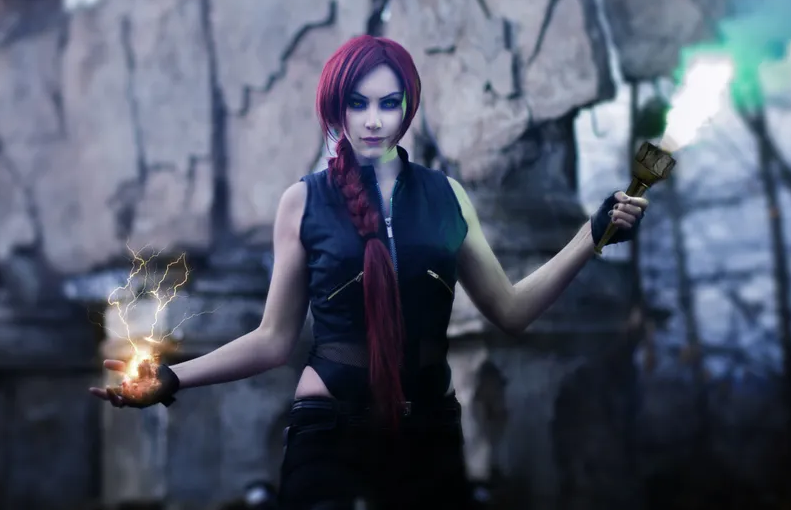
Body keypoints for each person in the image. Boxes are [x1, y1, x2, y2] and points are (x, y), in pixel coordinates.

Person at [90, 35, 648, 509]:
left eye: (389, 103)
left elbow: (511, 310)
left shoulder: (447, 197)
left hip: (428, 433)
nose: (374, 120)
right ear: (338, 109)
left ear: (408, 107)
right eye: (358, 104)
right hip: (329, 432)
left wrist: (591, 235)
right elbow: (273, 340)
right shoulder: (303, 202)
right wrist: (171, 378)